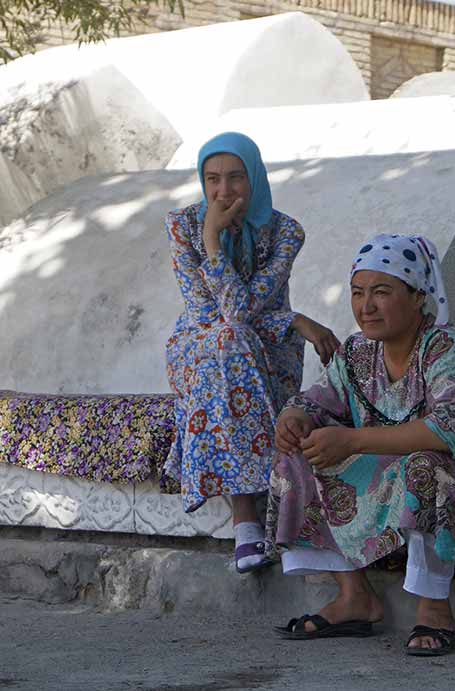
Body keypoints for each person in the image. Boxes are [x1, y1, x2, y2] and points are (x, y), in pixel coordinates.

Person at [267, 233, 455, 656]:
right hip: (399, 498)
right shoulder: (356, 352)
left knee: (424, 465)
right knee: (298, 456)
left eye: (382, 292)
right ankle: (354, 595)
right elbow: (313, 402)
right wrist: (294, 419)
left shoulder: (447, 348)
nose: (366, 306)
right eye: (358, 293)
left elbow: (446, 433)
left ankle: (433, 607)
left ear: (418, 296)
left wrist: (352, 440)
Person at [164, 132, 340, 574]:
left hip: (269, 350)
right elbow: (214, 314)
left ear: (255, 177)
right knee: (228, 340)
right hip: (200, 348)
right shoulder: (184, 228)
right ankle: (249, 520)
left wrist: (286, 323)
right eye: (213, 179)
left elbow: (242, 310)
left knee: (236, 339)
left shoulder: (285, 232)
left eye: (236, 178)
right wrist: (211, 239)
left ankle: (256, 523)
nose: (224, 192)